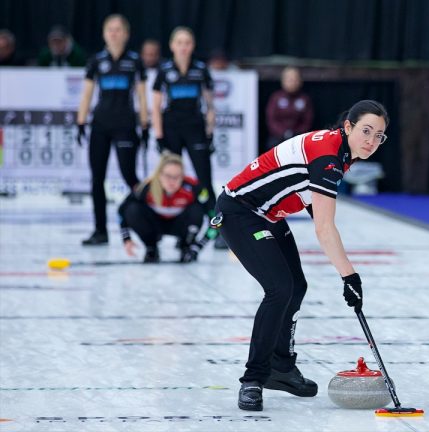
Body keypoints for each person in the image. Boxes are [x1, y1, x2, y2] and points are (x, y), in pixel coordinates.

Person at [215, 100, 389, 411]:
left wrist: (346, 272)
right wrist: (349, 276)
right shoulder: (329, 158)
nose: (371, 140)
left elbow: (310, 200)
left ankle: (281, 368)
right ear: (348, 126)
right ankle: (253, 379)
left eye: (378, 135)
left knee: (297, 286)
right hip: (240, 212)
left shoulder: (339, 152)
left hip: (268, 214)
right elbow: (324, 228)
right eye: (366, 130)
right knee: (280, 289)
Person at [77, 14, 148, 245]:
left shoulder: (135, 61)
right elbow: (87, 93)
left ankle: (148, 223)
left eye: (119, 29)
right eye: (110, 29)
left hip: (126, 126)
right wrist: (80, 122)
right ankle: (100, 231)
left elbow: (142, 95)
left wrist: (144, 124)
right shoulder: (96, 61)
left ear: (126, 34)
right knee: (97, 178)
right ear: (104, 34)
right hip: (100, 125)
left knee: (130, 176)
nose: (114, 33)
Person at [152, 27, 216, 218]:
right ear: (172, 45)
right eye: (179, 43)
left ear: (192, 46)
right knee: (172, 179)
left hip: (195, 128)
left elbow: (210, 105)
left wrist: (209, 134)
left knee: (204, 179)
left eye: (187, 43)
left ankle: (217, 225)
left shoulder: (201, 70)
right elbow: (155, 107)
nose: (183, 47)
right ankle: (177, 222)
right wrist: (158, 137)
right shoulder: (164, 70)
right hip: (171, 129)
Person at [119, 152, 210, 263]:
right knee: (133, 209)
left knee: (197, 210)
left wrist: (197, 247)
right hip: (155, 226)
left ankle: (186, 247)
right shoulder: (146, 187)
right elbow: (122, 210)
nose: (172, 181)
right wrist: (126, 238)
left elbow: (217, 220)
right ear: (159, 175)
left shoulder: (194, 187)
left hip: (181, 226)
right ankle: (151, 247)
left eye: (177, 177)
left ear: (183, 176)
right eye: (168, 176)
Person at [264, 66, 313, 151]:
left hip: (298, 138)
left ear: (300, 81)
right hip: (277, 138)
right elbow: (271, 119)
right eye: (289, 79)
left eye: (295, 79)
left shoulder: (304, 99)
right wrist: (284, 133)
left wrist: (295, 134)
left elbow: (307, 121)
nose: (292, 82)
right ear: (283, 81)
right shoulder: (276, 98)